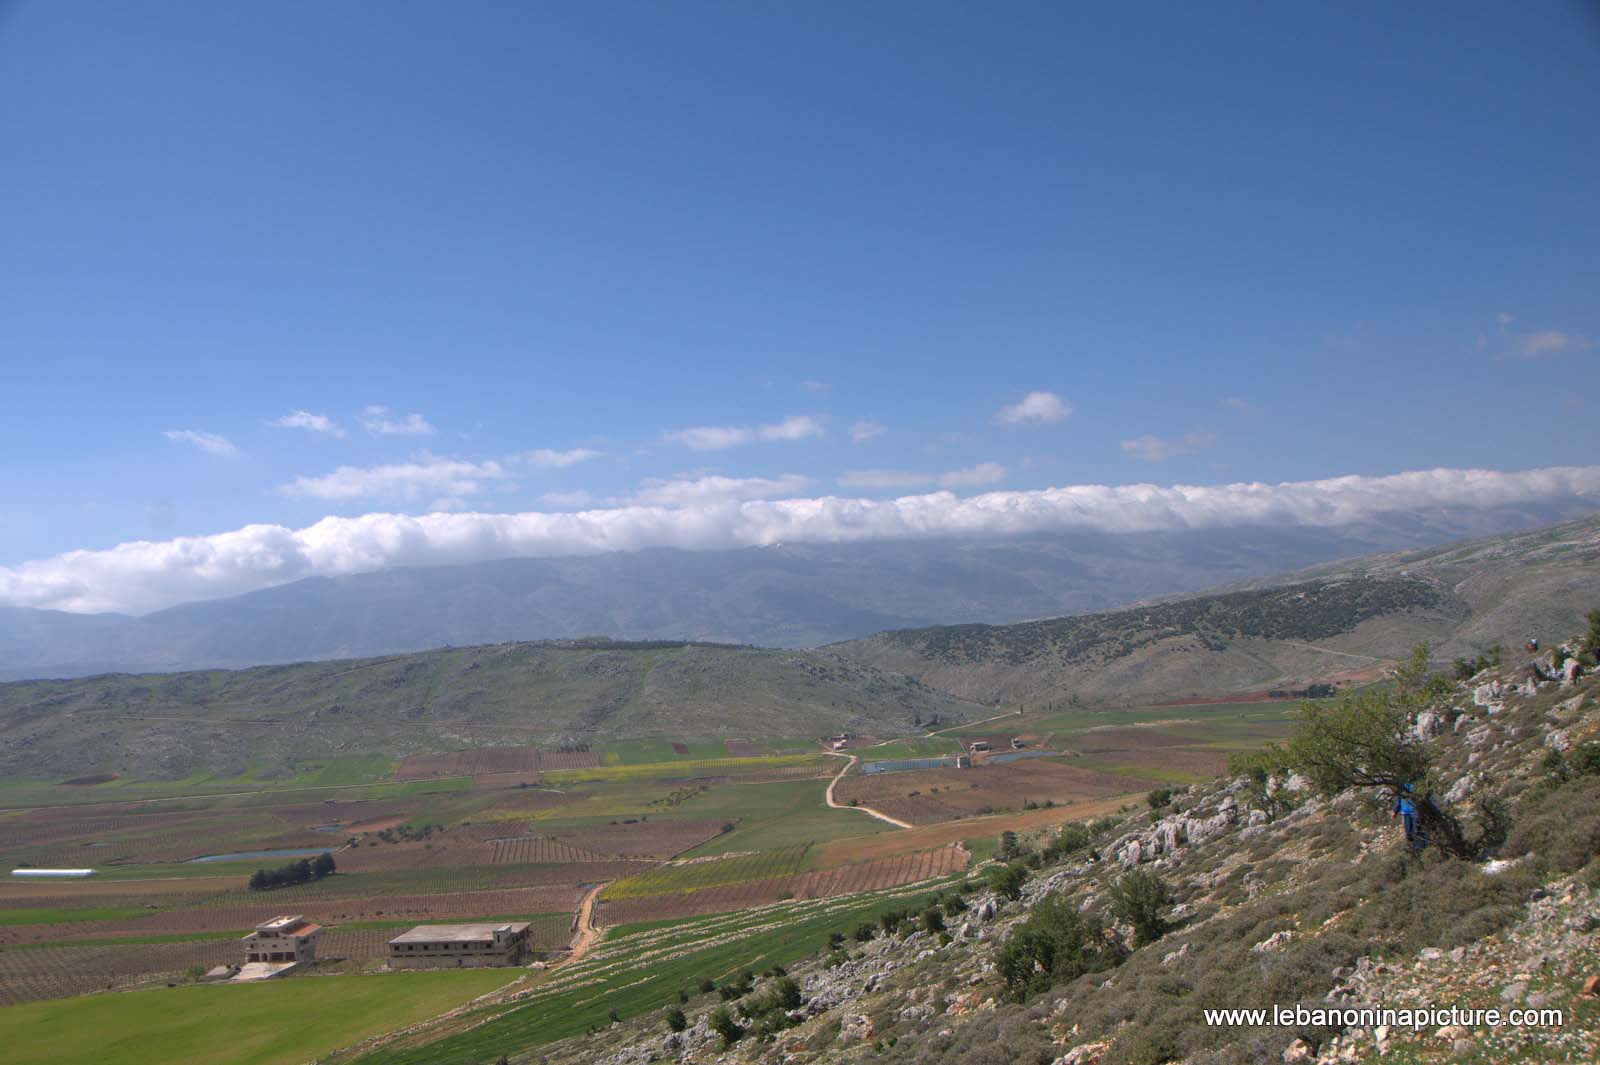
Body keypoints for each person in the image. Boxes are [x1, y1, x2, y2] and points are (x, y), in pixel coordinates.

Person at [1391, 783, 1424, 855]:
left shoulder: (1416, 783)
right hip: (1405, 812)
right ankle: (1413, 852)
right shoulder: (1401, 784)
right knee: (1408, 833)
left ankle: (1420, 851)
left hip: (1415, 811)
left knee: (1417, 831)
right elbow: (1399, 799)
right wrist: (1395, 810)